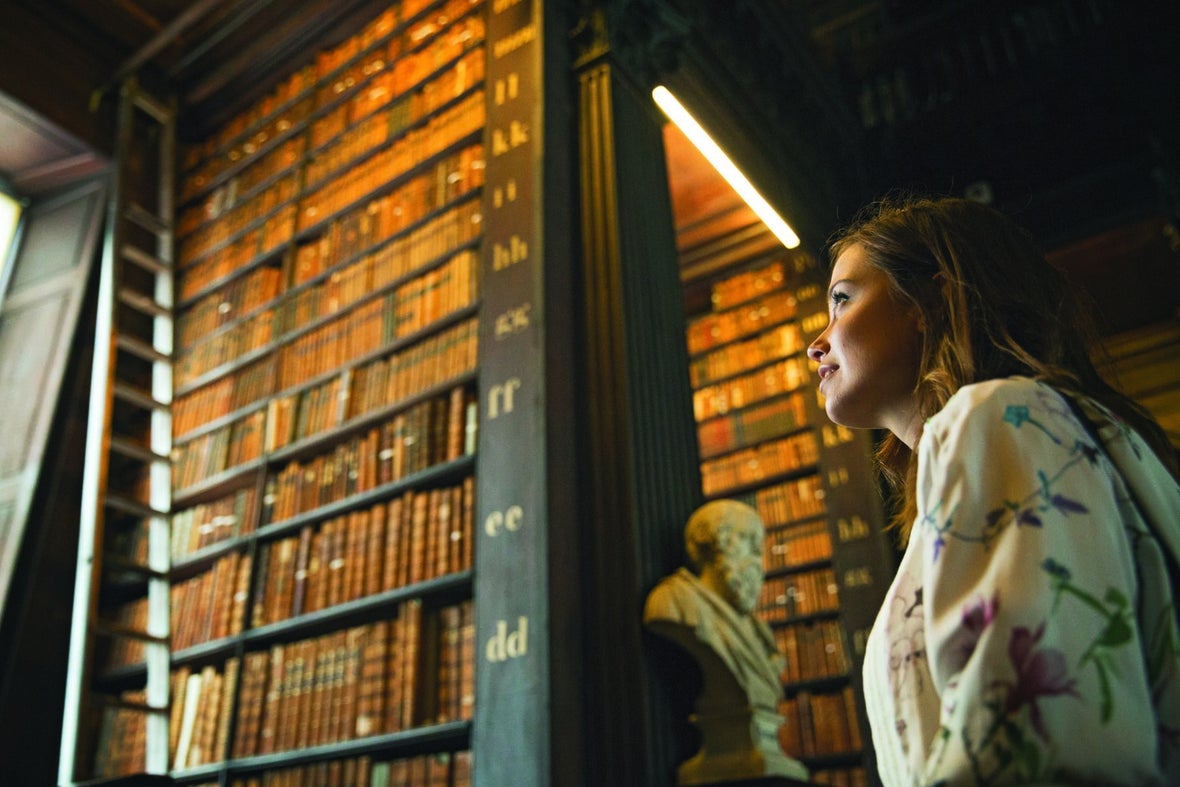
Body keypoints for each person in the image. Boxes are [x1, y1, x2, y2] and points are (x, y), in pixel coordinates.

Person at [805, 195, 1180, 786]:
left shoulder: (1001, 415)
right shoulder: (1047, 428)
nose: (815, 343)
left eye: (842, 301)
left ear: (928, 302)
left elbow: (1032, 746)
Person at [644, 498, 784, 711]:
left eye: (759, 547)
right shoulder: (673, 602)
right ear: (718, 540)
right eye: (750, 541)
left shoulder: (759, 631)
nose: (758, 558)